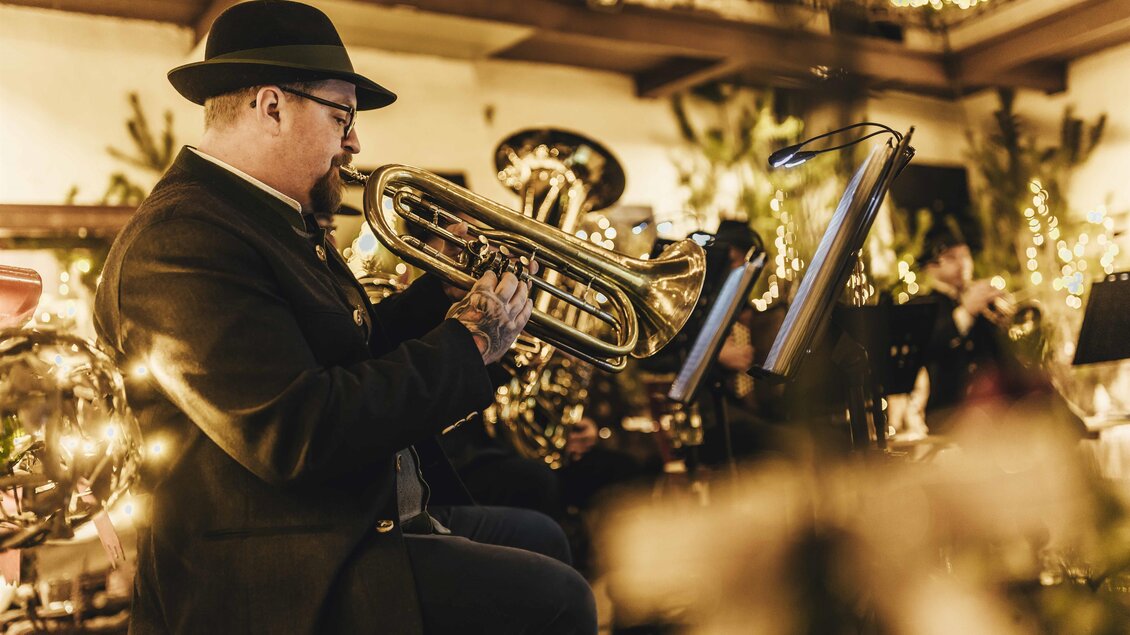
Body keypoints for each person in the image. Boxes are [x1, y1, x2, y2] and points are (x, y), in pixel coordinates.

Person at [92, 2, 595, 633]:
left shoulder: (269, 218)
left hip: (345, 523)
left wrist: (439, 295)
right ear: (271, 108)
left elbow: (348, 353)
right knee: (560, 598)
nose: (353, 142)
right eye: (342, 117)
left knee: (542, 535)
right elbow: (295, 432)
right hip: (275, 569)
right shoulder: (182, 238)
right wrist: (467, 343)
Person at [915, 230, 1007, 433]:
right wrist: (966, 312)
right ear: (930, 266)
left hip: (994, 406)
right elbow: (930, 345)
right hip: (949, 413)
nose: (963, 263)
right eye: (952, 258)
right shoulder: (923, 303)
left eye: (966, 256)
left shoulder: (981, 300)